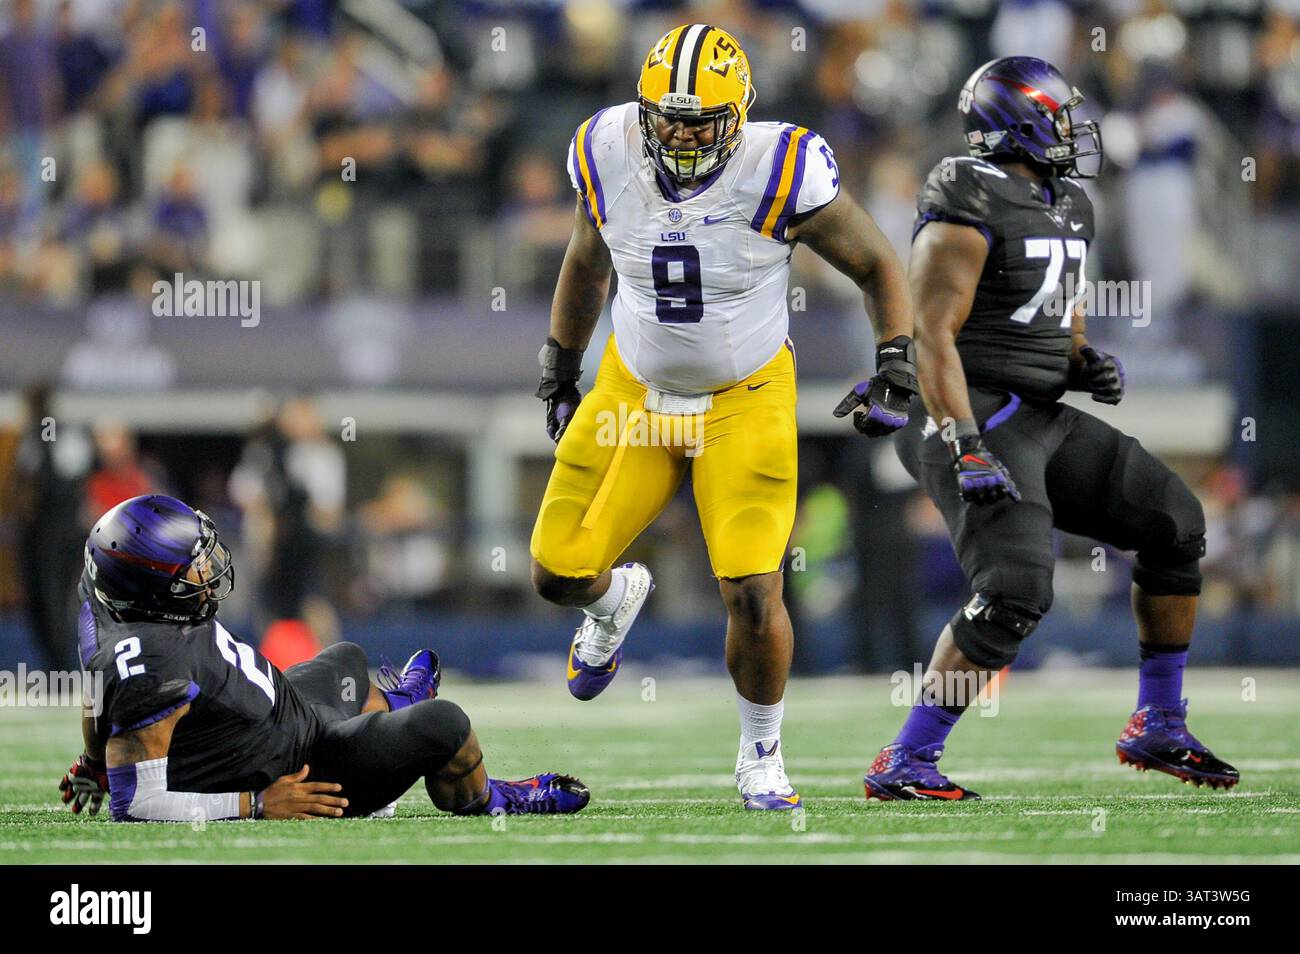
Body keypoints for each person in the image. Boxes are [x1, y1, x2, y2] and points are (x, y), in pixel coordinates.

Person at [529, 24, 914, 809]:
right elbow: (584, 262)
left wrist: (896, 364)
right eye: (665, 116)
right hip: (634, 395)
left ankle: (761, 754)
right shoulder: (604, 146)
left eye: (698, 120)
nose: (678, 133)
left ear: (737, 115)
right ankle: (613, 602)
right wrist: (558, 371)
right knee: (556, 571)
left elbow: (877, 264)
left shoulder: (781, 166)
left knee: (750, 590)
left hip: (745, 399)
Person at [862, 57, 1238, 800]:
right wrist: (963, 442)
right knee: (1015, 589)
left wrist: (1081, 361)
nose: (1072, 129)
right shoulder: (965, 190)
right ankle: (906, 759)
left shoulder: (1068, 201)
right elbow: (930, 333)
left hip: (1034, 412)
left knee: (1174, 522)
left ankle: (1159, 721)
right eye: (1059, 114)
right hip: (966, 409)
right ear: (1019, 120)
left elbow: (1054, 313)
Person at [59, 495, 589, 821]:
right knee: (445, 724)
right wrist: (259, 805)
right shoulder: (152, 665)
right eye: (190, 570)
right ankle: (490, 798)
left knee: (347, 657)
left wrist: (91, 764)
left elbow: (97, 692)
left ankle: (389, 706)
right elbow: (138, 808)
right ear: (148, 589)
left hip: (285, 711)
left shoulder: (102, 595)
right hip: (305, 767)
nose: (209, 572)